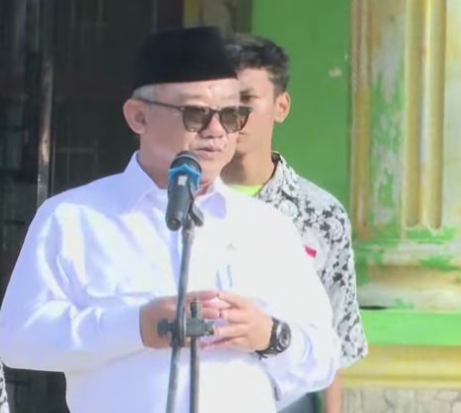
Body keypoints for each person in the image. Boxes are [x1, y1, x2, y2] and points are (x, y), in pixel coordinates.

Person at [0, 26, 340, 413]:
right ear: (139, 117)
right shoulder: (75, 218)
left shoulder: (266, 227)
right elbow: (17, 341)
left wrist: (269, 335)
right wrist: (136, 327)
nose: (217, 131)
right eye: (196, 114)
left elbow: (324, 359)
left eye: (231, 115)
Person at [222, 33, 368, 413]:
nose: (233, 115)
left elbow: (335, 341)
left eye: (247, 100)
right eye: (223, 102)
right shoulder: (183, 203)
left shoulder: (320, 214)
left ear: (281, 106)